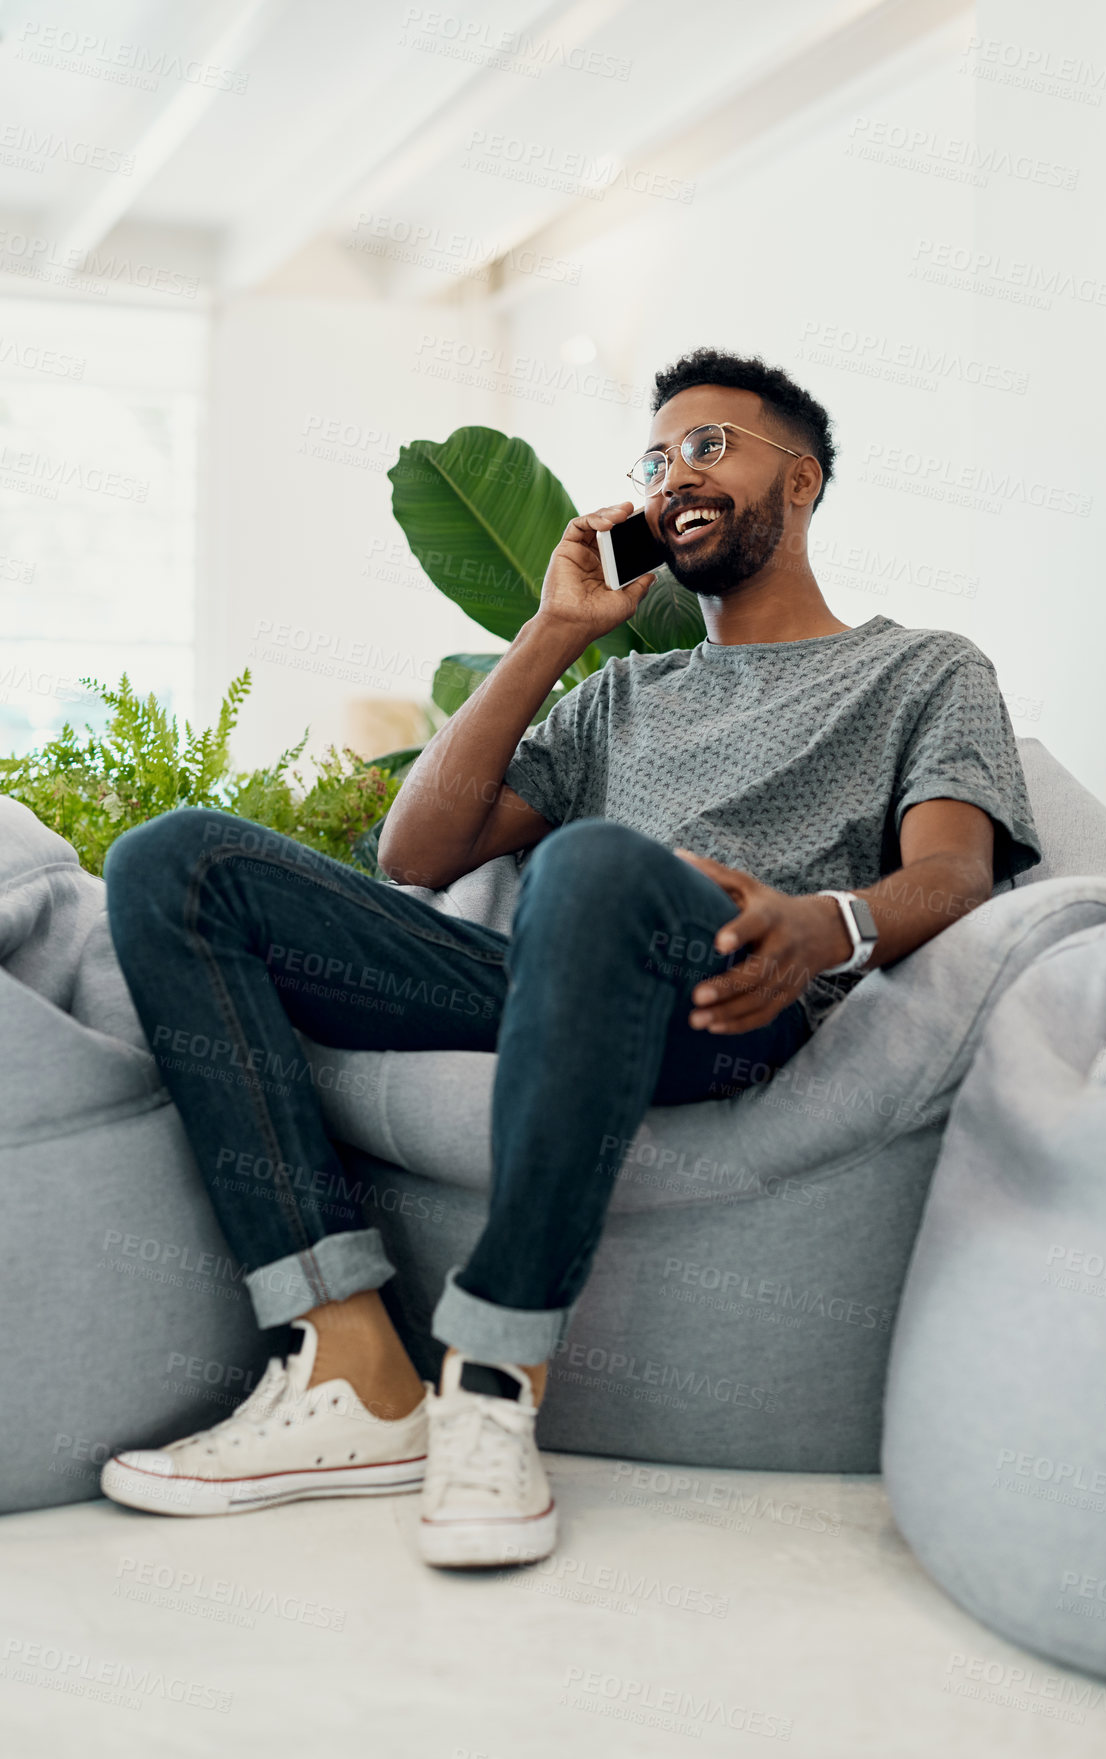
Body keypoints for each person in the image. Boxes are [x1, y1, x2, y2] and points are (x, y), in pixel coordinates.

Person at [98, 346, 1041, 1567]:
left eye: (708, 447)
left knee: (591, 863)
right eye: (651, 461)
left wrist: (828, 922)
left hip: (729, 987)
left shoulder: (922, 669)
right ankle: (352, 1367)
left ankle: (492, 1378)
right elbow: (416, 853)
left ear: (800, 482)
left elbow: (954, 876)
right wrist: (552, 631)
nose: (671, 478)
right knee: (175, 860)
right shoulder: (619, 695)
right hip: (557, 976)